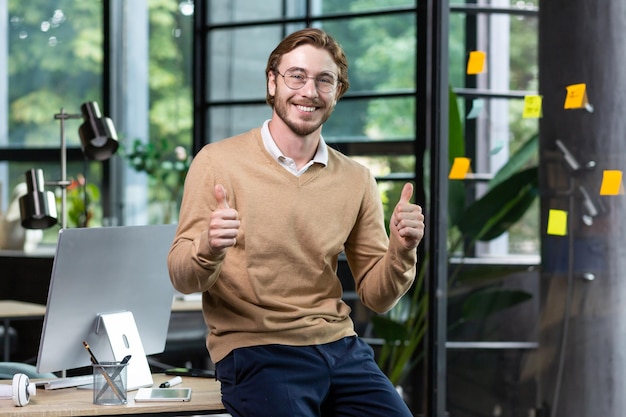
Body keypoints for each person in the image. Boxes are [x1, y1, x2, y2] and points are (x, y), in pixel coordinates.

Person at [168, 27, 425, 417]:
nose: (310, 91)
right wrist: (208, 247)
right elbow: (182, 278)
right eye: (297, 76)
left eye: (325, 80)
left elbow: (376, 296)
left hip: (340, 346)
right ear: (272, 82)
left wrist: (401, 252)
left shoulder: (357, 179)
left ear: (337, 92)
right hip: (256, 348)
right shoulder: (217, 163)